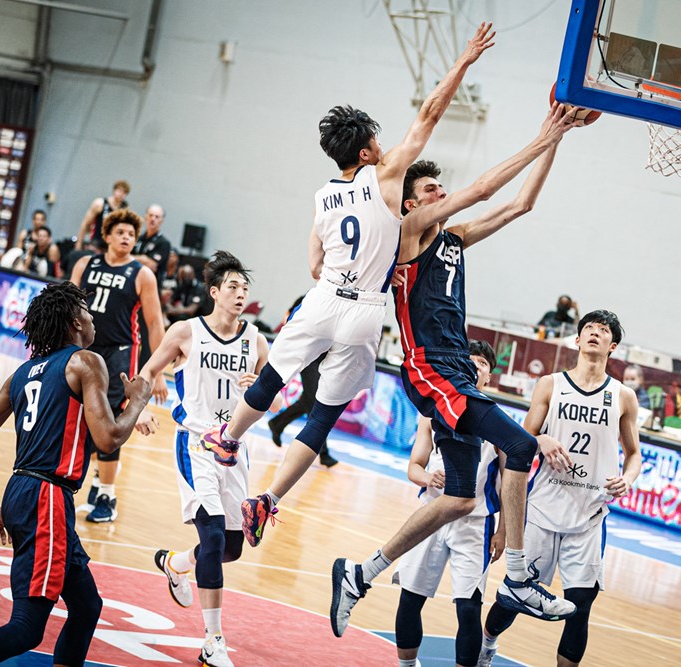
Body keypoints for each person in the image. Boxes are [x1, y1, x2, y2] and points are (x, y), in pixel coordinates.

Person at [200, 23, 498, 550]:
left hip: (323, 298)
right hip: (364, 311)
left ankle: (226, 441)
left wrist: (330, 268)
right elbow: (429, 114)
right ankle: (267, 500)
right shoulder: (383, 179)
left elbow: (314, 260)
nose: (385, 146)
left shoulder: (321, 196)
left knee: (271, 378)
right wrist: (465, 61)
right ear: (364, 153)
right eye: (377, 141)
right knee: (323, 417)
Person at [330, 100, 587, 638]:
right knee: (520, 446)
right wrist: (542, 133)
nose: (440, 194)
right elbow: (485, 189)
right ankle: (517, 577)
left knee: (462, 496)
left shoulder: (454, 238)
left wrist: (556, 139)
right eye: (430, 190)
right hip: (431, 368)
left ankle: (361, 573)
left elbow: (521, 204)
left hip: (456, 373)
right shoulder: (410, 231)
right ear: (409, 203)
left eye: (439, 189)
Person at [0, 282, 152, 667]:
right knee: (27, 628)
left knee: (86, 606)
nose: (92, 315)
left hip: (23, 493)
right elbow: (109, 438)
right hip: (47, 497)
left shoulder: (22, 374)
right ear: (72, 321)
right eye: (85, 308)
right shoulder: (85, 361)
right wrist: (138, 402)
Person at [133, 251, 273, 667]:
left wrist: (259, 387)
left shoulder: (257, 340)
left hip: (235, 448)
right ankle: (213, 639)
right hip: (196, 444)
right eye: (232, 286)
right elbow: (148, 371)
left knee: (230, 547)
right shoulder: (186, 331)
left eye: (244, 288)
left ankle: (177, 564)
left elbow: (274, 396)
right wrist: (140, 408)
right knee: (211, 538)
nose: (240, 293)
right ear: (214, 292)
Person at [478, 310, 642, 666]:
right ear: (578, 340)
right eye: (589, 329)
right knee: (513, 598)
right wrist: (542, 440)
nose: (595, 333)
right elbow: (516, 441)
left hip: (589, 516)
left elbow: (634, 456)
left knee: (580, 607)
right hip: (542, 510)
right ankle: (487, 644)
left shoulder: (623, 396)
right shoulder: (551, 385)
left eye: (603, 331)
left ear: (612, 346)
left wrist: (627, 479)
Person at [393, 340, 504, 667]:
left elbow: (510, 483)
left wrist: (505, 532)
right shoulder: (432, 411)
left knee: (468, 608)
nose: (474, 364)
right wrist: (427, 478)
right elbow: (414, 465)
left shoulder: (498, 422)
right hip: (432, 515)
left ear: (489, 377)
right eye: (469, 359)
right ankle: (407, 665)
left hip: (474, 523)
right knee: (410, 599)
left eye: (482, 362)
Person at [70, 208, 168, 522]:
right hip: (84, 348)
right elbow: (67, 304)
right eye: (121, 233)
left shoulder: (141, 274)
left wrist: (160, 373)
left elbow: (155, 324)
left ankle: (107, 499)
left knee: (108, 423)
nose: (127, 238)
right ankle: (97, 484)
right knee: (79, 419)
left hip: (119, 354)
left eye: (131, 234)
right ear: (108, 236)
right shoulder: (86, 264)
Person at [266, 296, 338, 467]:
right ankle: (324, 453)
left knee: (307, 400)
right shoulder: (311, 296)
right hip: (308, 354)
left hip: (325, 356)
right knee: (315, 402)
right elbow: (289, 316)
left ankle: (277, 424)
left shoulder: (341, 300)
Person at [75, 180, 129, 250]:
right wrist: (79, 243)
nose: (121, 194)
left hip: (111, 245)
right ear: (114, 190)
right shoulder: (100, 203)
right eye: (119, 191)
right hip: (96, 242)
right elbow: (86, 223)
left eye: (124, 192)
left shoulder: (124, 209)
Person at [135, 204, 172, 285]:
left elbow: (151, 265)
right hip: (134, 282)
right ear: (145, 217)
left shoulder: (164, 243)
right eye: (150, 215)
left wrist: (130, 258)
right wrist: (142, 259)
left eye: (157, 217)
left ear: (161, 221)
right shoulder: (138, 238)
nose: (153, 219)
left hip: (151, 285)